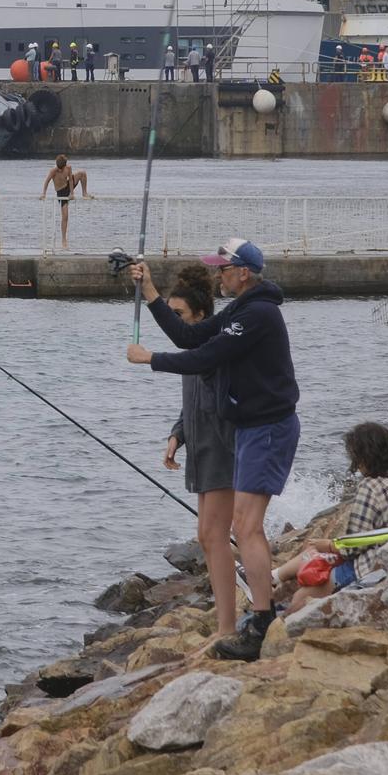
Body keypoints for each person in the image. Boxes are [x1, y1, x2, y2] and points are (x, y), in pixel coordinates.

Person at [126, 237, 299, 661]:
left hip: (268, 428)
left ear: (244, 273)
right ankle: (257, 618)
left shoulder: (257, 314)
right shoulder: (239, 312)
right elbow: (188, 336)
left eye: (224, 268)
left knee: (246, 527)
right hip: (251, 430)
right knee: (238, 527)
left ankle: (262, 621)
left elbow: (204, 357)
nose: (218, 274)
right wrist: (148, 291)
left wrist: (150, 359)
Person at [152, 264, 239, 639]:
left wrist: (148, 357)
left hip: (223, 449)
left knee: (214, 536)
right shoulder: (194, 347)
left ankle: (228, 626)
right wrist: (177, 435)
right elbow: (192, 403)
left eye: (179, 316)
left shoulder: (213, 347)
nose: (175, 324)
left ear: (201, 316)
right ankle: (228, 613)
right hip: (200, 450)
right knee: (207, 537)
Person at [272, 423, 388, 612]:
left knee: (301, 597)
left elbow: (352, 547)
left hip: (371, 566)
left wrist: (328, 545)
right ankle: (273, 577)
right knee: (315, 554)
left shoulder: (370, 487)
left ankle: (270, 621)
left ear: (362, 456)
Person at [38, 154, 89, 249]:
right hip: (61, 192)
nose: (60, 170)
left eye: (62, 168)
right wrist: (43, 194)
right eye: (59, 168)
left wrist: (72, 193)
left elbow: (70, 180)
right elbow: (46, 182)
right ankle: (64, 240)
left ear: (65, 165)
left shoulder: (68, 168)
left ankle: (84, 193)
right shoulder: (53, 171)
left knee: (82, 173)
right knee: (65, 216)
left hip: (68, 187)